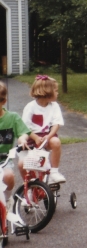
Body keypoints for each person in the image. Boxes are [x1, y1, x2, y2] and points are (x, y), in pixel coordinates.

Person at [20, 75, 66, 184]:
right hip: (32, 136)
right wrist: (35, 138)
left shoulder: (54, 106)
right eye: (56, 90)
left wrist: (49, 136)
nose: (57, 93)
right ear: (48, 92)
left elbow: (56, 124)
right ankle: (30, 187)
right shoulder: (30, 107)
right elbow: (25, 127)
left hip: (47, 136)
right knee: (24, 164)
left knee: (56, 142)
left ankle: (54, 172)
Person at [0, 81, 36, 209]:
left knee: (9, 176)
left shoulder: (12, 117)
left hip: (4, 160)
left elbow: (23, 132)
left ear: (4, 102)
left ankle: (8, 199)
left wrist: (22, 140)